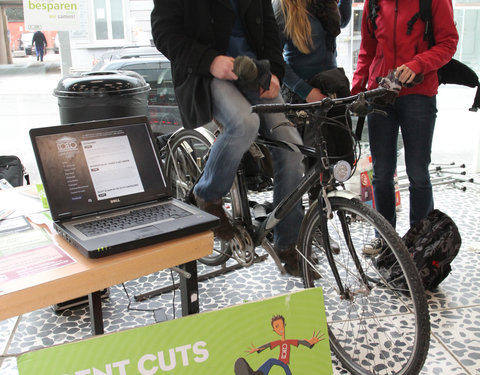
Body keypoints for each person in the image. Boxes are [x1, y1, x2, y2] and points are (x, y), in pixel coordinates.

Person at [151, 0, 305, 275]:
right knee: (244, 123)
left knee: (292, 148)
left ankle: (288, 244)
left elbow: (270, 30)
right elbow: (164, 33)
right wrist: (209, 60)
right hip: (206, 74)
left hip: (255, 71)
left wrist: (275, 73)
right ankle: (207, 195)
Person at [351, 0, 458, 254]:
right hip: (380, 93)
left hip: (419, 93)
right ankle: (385, 238)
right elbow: (367, 49)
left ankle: (420, 241)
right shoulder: (373, 2)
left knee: (418, 172)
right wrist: (357, 90)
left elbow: (448, 42)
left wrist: (418, 63)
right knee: (381, 173)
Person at [234, 315, 324, 375]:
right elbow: (268, 345)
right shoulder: (278, 342)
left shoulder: (289, 341)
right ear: (274, 329)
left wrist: (309, 343)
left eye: (280, 325)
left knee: (273, 362)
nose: (279, 328)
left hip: (284, 363)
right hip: (278, 362)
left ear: (284, 325)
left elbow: (300, 342)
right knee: (241, 361)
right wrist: (258, 349)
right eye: (276, 327)